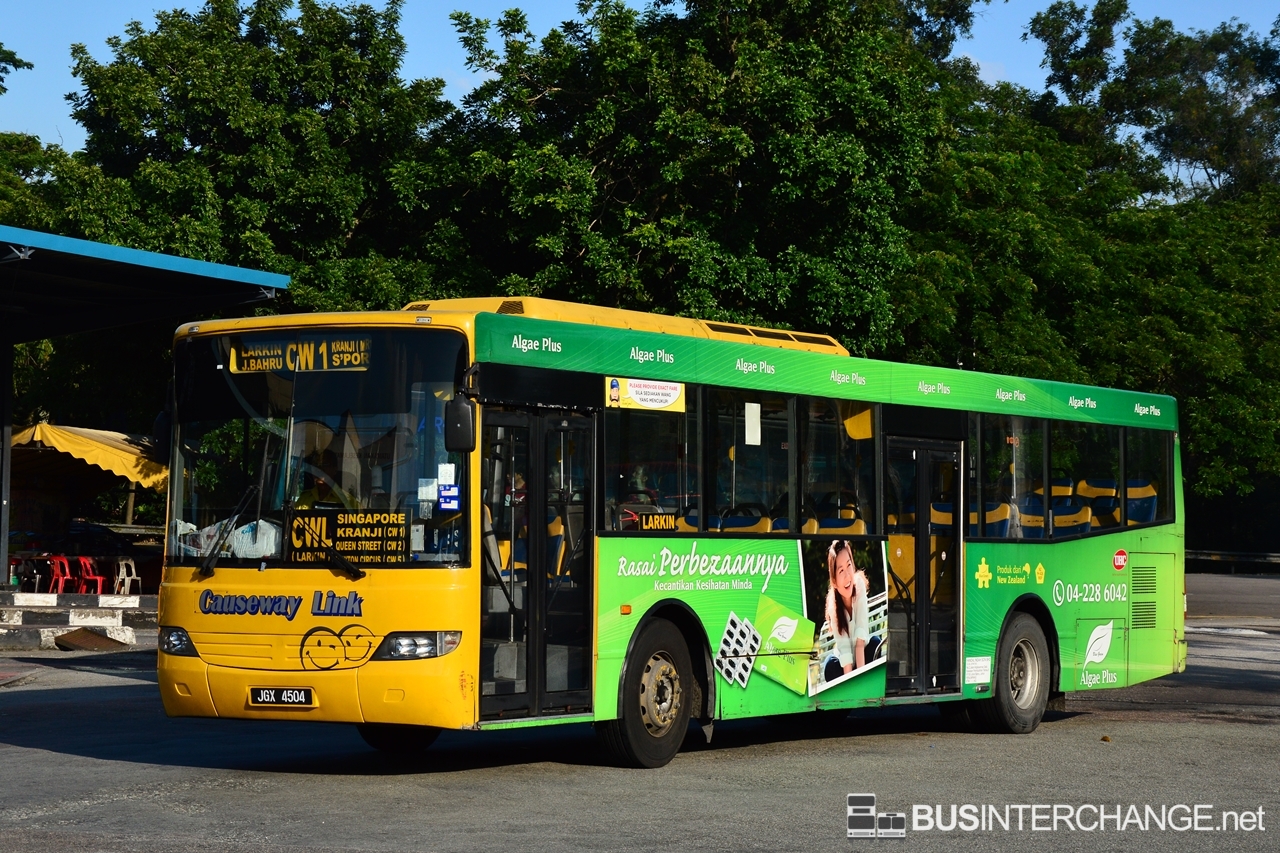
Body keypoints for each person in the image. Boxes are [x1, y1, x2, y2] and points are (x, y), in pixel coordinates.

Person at [825, 539, 869, 676]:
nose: (847, 575)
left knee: (875, 644)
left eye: (849, 565)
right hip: (845, 665)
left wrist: (861, 681)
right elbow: (845, 651)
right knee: (829, 665)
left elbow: (860, 639)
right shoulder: (833, 606)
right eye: (841, 571)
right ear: (834, 582)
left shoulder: (859, 585)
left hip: (862, 654)